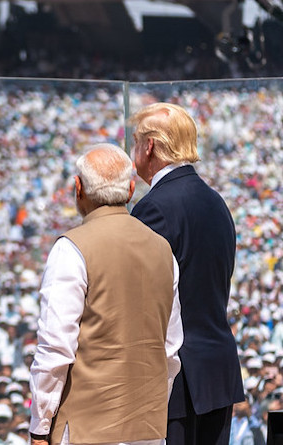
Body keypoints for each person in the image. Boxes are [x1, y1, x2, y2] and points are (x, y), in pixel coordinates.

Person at [29, 144, 183, 445]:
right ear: (129, 189)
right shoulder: (163, 250)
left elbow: (55, 349)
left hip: (85, 429)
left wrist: (40, 426)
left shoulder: (70, 249)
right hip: (148, 429)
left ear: (78, 189)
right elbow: (170, 349)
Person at [130, 102, 244, 445]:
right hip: (216, 374)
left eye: (135, 140)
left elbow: (141, 300)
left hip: (178, 381)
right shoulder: (216, 201)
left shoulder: (153, 208)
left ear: (149, 146)